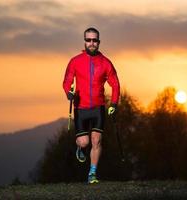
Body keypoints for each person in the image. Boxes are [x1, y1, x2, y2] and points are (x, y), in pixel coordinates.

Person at [63, 27, 120, 184]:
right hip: (80, 107)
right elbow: (67, 81)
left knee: (96, 141)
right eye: (88, 40)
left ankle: (92, 173)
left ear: (99, 42)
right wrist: (68, 92)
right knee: (85, 142)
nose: (91, 43)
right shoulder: (75, 61)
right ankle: (80, 148)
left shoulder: (106, 63)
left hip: (98, 107)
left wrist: (114, 103)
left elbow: (115, 84)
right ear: (84, 41)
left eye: (94, 40)